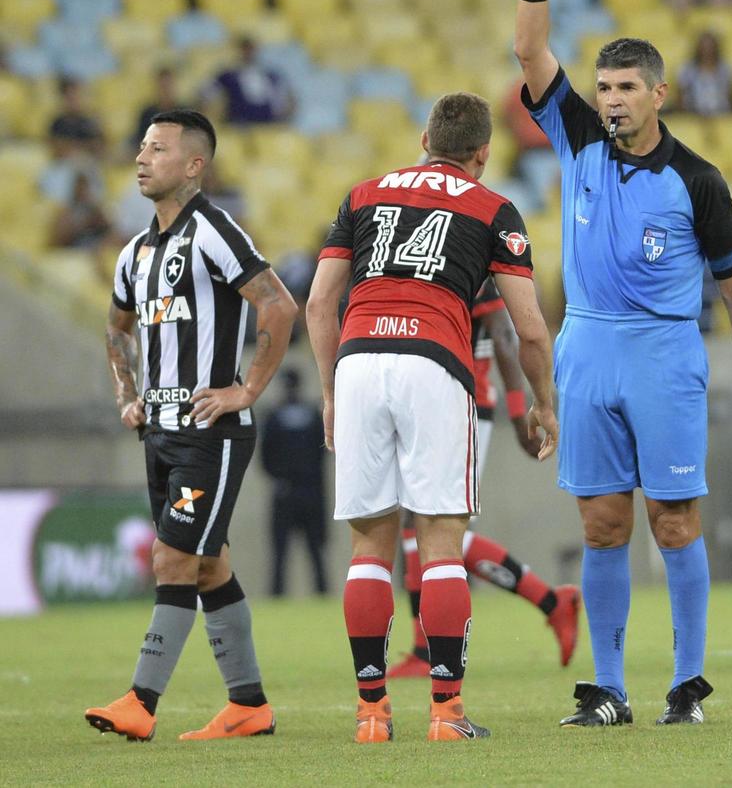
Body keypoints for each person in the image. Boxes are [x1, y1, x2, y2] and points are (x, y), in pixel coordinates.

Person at [514, 0, 732, 727]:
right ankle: (608, 688)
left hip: (665, 354)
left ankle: (687, 684)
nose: (613, 98)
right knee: (600, 523)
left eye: (627, 86)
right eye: (603, 86)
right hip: (587, 346)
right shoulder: (578, 137)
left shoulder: (697, 180)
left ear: (660, 93)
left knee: (672, 520)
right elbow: (528, 49)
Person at [305, 92, 558, 744]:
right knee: (441, 540)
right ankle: (445, 714)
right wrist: (542, 403)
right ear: (483, 152)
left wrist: (332, 392)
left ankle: (371, 714)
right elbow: (528, 331)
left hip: (359, 359)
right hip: (435, 364)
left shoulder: (363, 195)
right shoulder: (492, 207)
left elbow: (319, 305)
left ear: (423, 138)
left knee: (369, 547)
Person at [85, 109, 298, 742]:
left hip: (212, 431)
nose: (142, 157)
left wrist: (246, 389)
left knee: (173, 559)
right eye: (142, 146)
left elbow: (278, 306)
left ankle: (141, 702)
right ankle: (248, 705)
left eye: (158, 148)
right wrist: (129, 394)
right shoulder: (135, 252)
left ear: (194, 165)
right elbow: (116, 330)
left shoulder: (213, 231)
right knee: (208, 567)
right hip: (161, 432)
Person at [386, 275, 581, 678]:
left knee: (438, 526)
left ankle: (548, 602)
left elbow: (506, 338)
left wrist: (516, 411)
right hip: (426, 405)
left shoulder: (473, 270)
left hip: (466, 405)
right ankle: (425, 649)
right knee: (416, 523)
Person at [260, 367, 328, 597]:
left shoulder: (274, 416)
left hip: (287, 492)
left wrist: (280, 477)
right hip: (309, 491)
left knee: (290, 551)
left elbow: (265, 456)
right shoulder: (311, 415)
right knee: (310, 550)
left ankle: (280, 595)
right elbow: (323, 453)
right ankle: (320, 594)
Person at [203, 37, 294, 125]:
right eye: (245, 49)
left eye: (251, 49)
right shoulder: (227, 75)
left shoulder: (271, 75)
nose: (248, 53)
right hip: (239, 123)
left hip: (268, 123)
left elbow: (286, 101)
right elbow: (208, 95)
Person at [676, 31, 732, 116]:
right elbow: (681, 96)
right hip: (694, 114)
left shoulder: (725, 69)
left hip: (721, 114)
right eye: (704, 47)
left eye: (710, 47)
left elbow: (731, 96)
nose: (707, 50)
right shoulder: (688, 70)